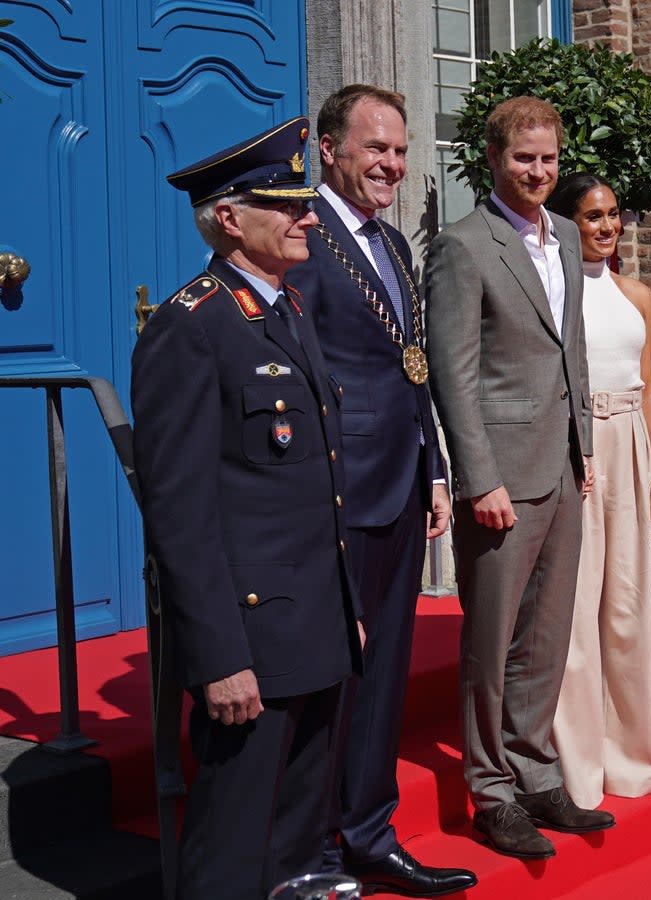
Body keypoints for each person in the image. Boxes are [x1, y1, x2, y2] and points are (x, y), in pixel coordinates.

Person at [131, 117, 363, 900]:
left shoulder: (287, 309)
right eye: (286, 204)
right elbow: (181, 514)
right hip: (252, 636)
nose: (307, 215)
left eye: (307, 201)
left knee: (298, 830)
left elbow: (314, 482)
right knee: (231, 847)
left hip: (313, 616)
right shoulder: (190, 328)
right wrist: (220, 655)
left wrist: (344, 606)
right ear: (228, 217)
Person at [288, 84, 476, 898]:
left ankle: (369, 830)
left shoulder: (395, 244)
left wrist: (435, 466)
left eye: (400, 151)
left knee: (387, 669)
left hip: (401, 480)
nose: (392, 165)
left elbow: (414, 368)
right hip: (340, 491)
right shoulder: (302, 235)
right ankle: (315, 848)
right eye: (375, 149)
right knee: (337, 676)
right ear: (328, 149)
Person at [425, 96, 613, 860]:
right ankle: (491, 789)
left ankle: (536, 772)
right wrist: (479, 479)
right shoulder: (463, 247)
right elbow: (453, 375)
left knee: (547, 635)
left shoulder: (566, 235)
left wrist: (587, 446)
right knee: (493, 641)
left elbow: (569, 345)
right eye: (523, 159)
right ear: (494, 160)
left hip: (564, 466)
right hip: (502, 476)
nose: (538, 172)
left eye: (548, 159)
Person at [545, 173, 651, 809]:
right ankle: (578, 768)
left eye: (614, 215)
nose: (607, 227)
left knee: (627, 604)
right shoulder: (554, 290)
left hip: (632, 447)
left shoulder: (638, 295)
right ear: (567, 222)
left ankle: (629, 760)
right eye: (592, 216)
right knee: (573, 608)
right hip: (578, 443)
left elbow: (648, 389)